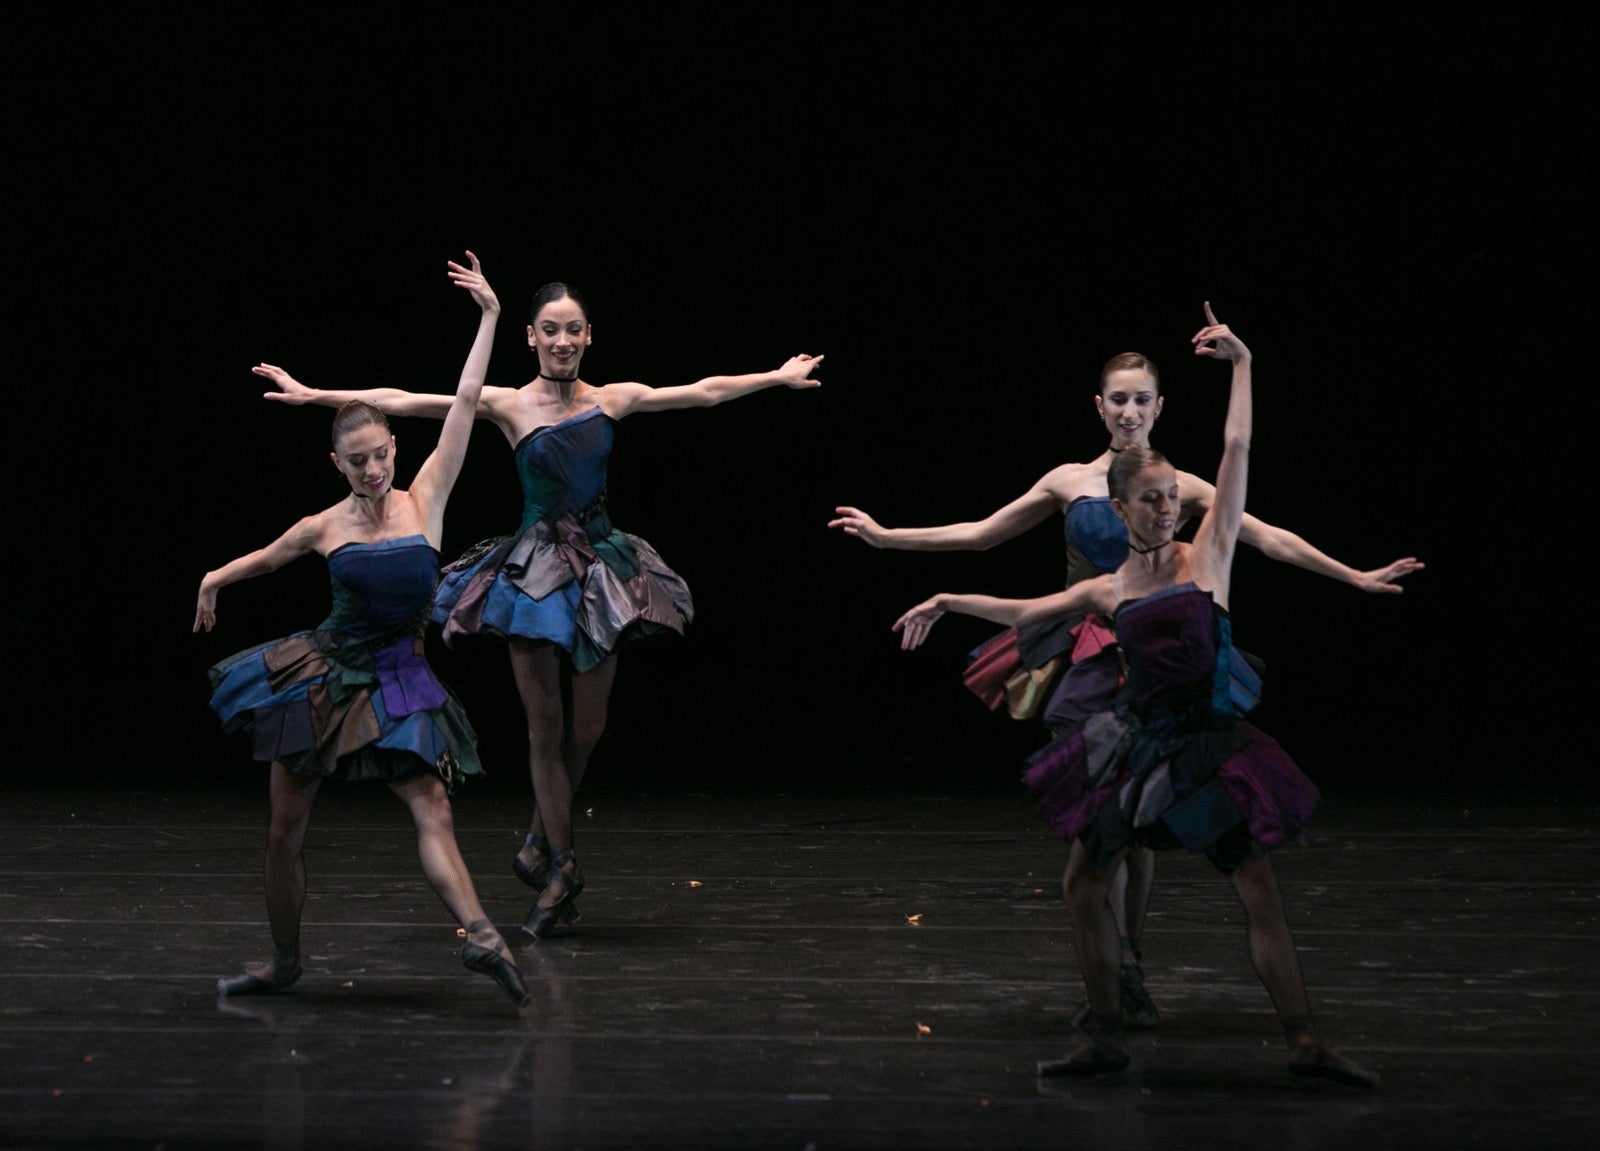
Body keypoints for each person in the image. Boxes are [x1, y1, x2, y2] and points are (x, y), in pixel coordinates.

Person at [831, 346, 1421, 1030]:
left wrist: (1353, 575)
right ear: (1100, 406)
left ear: (1160, 407)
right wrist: (886, 537)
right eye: (1119, 399)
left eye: (1143, 399)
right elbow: (983, 534)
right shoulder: (1070, 481)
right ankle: (1115, 971)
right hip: (1087, 646)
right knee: (1100, 820)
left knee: (1146, 824)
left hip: (1162, 653)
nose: (1131, 410)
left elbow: (1265, 537)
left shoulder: (1175, 484)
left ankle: (1131, 954)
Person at [253, 284, 824, 938]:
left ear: (587, 336)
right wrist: (314, 394)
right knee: (544, 729)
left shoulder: (612, 398)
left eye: (573, 329)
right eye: (550, 330)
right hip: (532, 574)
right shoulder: (508, 403)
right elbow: (401, 402)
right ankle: (563, 868)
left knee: (588, 728)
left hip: (600, 569)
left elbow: (701, 390)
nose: (561, 340)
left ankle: (536, 838)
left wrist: (778, 378)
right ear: (530, 336)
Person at [196, 252, 529, 1007]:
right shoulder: (325, 525)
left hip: (399, 676)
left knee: (432, 803)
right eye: (357, 461)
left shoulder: (427, 498)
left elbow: (469, 398)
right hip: (323, 678)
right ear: (337, 463)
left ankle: (480, 933)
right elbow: (268, 558)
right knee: (285, 829)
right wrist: (215, 577)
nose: (373, 469)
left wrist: (489, 316)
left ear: (394, 452)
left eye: (380, 455)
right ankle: (284, 961)